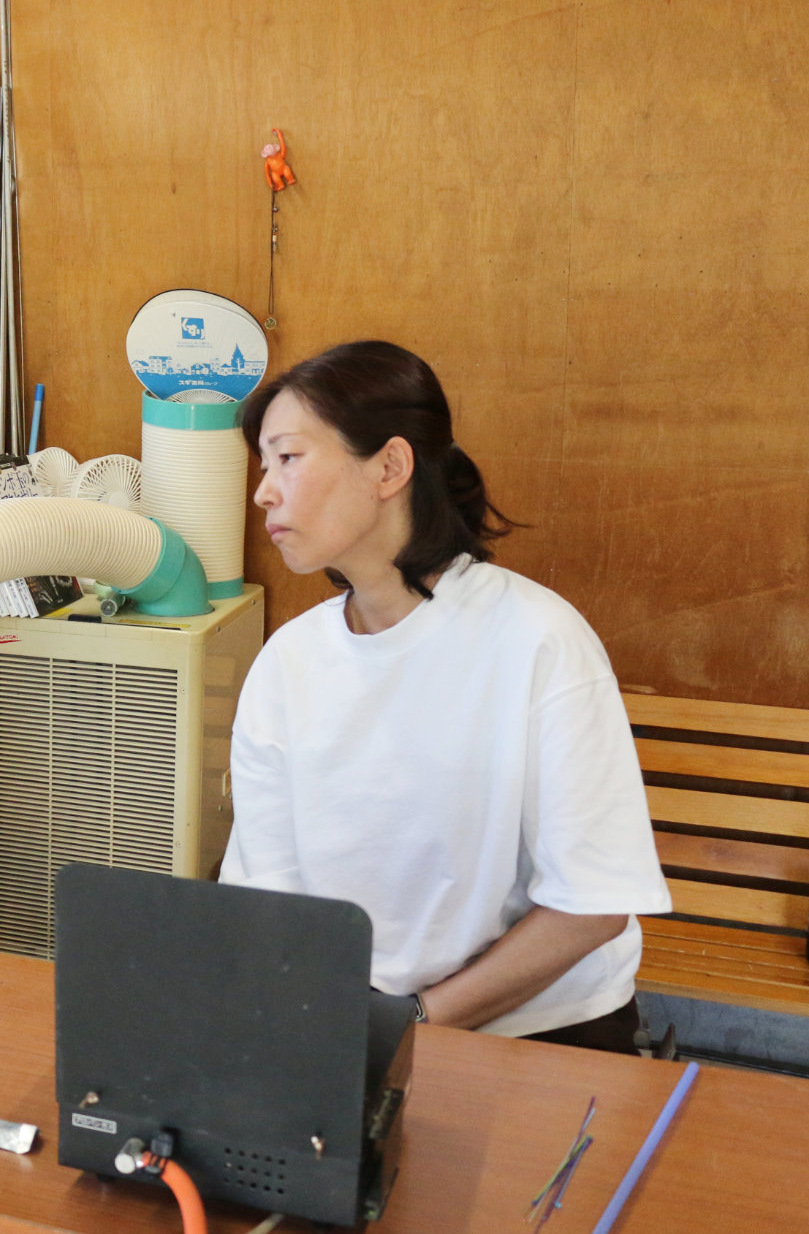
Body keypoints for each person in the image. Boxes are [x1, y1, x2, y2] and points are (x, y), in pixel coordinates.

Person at [222, 340, 671, 1051]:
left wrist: (414, 1022)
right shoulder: (289, 661)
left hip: (541, 1032)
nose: (264, 492)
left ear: (390, 467)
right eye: (263, 466)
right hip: (355, 1026)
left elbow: (593, 905)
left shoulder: (539, 639)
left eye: (288, 458)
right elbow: (269, 897)